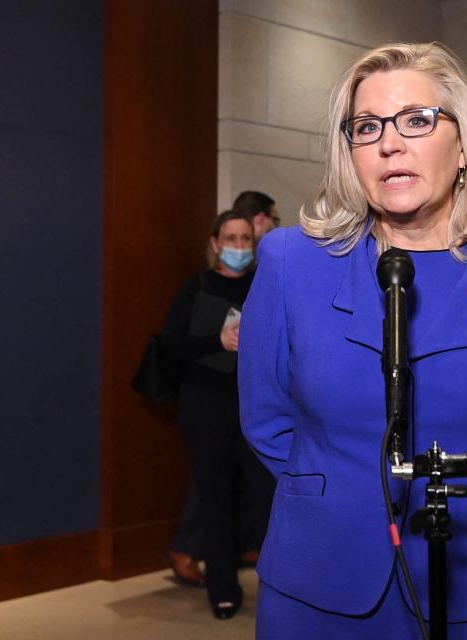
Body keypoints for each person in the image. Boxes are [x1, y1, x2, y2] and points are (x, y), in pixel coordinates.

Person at [238, 42, 467, 639]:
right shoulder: (289, 262)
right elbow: (266, 419)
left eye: (416, 120)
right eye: (367, 126)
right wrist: (345, 502)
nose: (389, 143)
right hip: (321, 580)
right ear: (350, 152)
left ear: (464, 145)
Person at [160, 210, 274, 619]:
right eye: (231, 238)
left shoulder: (265, 285)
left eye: (246, 239)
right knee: (215, 500)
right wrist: (217, 340)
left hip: (258, 407)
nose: (239, 247)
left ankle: (277, 593)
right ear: (214, 243)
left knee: (266, 501)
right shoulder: (197, 287)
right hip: (206, 406)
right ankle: (222, 590)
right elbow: (171, 344)